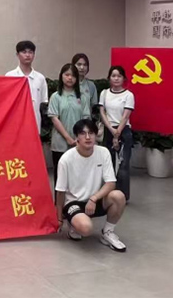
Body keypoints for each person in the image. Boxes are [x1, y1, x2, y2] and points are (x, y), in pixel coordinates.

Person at [55, 119, 127, 252]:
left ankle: (108, 232)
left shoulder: (103, 152)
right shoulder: (66, 159)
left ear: (96, 135)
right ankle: (74, 225)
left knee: (118, 196)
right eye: (83, 133)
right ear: (76, 137)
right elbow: (60, 192)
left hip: (94, 200)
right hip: (74, 203)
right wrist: (59, 219)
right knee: (86, 229)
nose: (88, 137)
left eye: (91, 133)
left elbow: (111, 183)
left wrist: (94, 198)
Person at [48, 64, 91, 190]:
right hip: (60, 142)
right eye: (67, 75)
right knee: (60, 175)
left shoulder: (82, 97)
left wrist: (79, 138)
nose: (70, 78)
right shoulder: (56, 96)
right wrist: (68, 138)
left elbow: (86, 119)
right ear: (61, 76)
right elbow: (54, 118)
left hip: (79, 142)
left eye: (73, 75)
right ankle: (59, 201)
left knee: (78, 175)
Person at [99, 65, 135, 202]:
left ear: (124, 78)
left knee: (123, 165)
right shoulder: (104, 93)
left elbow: (125, 116)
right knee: (108, 164)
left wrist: (117, 133)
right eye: (113, 76)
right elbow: (102, 113)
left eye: (119, 76)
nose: (116, 78)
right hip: (109, 129)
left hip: (123, 131)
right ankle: (109, 193)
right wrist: (112, 130)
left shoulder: (128, 95)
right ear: (109, 78)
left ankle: (123, 196)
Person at [5, 40, 48, 133]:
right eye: (24, 52)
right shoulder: (10, 76)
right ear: (17, 55)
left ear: (34, 55)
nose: (27, 55)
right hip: (15, 123)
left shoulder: (40, 78)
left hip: (34, 123)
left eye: (30, 52)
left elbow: (43, 102)